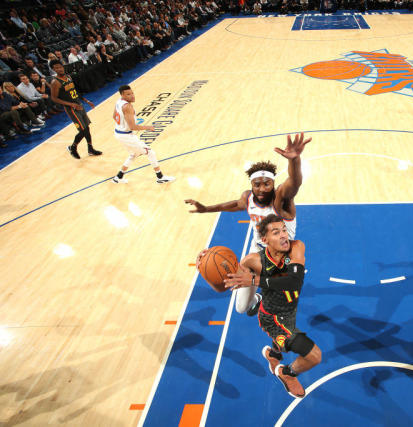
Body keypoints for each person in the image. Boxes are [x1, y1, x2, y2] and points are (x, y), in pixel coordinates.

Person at [185, 132, 311, 316]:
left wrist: (294, 160)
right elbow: (235, 205)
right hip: (257, 250)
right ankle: (256, 298)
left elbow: (294, 182)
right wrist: (206, 209)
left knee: (281, 293)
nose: (261, 189)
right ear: (252, 185)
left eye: (266, 184)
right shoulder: (248, 197)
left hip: (281, 256)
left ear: (273, 183)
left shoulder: (281, 200)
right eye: (257, 184)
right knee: (241, 308)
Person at [221, 214, 322, 398]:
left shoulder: (296, 247)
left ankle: (273, 355)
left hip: (290, 310)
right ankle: (287, 373)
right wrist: (208, 266)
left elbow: (294, 282)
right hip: (273, 319)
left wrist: (254, 280)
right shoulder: (253, 261)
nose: (284, 235)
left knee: (285, 336)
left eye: (284, 230)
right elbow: (225, 283)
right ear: (265, 239)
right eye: (276, 232)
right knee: (314, 356)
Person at [111, 85, 175, 184]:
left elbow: (114, 116)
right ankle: (160, 177)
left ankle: (118, 177)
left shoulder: (119, 101)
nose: (132, 96)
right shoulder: (127, 107)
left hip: (119, 133)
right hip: (126, 135)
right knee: (150, 152)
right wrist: (148, 127)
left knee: (134, 154)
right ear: (122, 95)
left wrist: (122, 125)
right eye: (128, 94)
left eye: (132, 93)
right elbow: (133, 127)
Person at [49, 60, 102, 159]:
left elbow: (74, 91)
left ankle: (90, 149)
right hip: (71, 109)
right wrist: (71, 104)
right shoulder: (55, 82)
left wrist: (86, 100)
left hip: (79, 105)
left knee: (87, 128)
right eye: (56, 68)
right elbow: (54, 98)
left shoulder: (68, 77)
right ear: (53, 69)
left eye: (60, 66)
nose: (59, 69)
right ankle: (73, 148)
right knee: (82, 130)